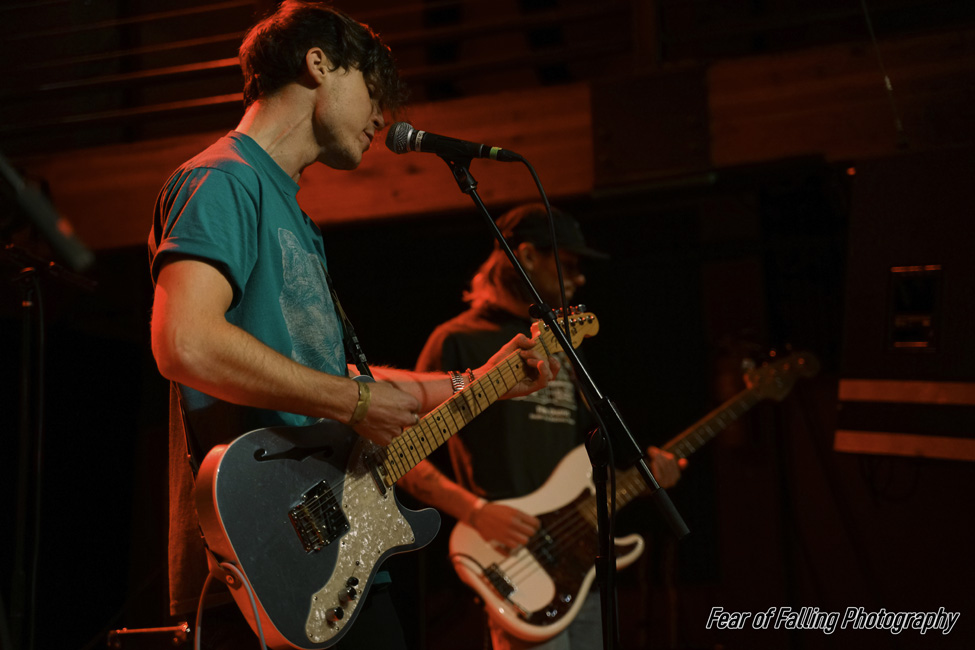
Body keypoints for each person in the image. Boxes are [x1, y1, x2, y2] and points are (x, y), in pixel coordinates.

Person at [147, 4, 558, 649]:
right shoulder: (222, 181)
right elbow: (185, 341)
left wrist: (480, 380)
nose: (381, 117)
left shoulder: (295, 215)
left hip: (334, 549)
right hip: (264, 556)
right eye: (373, 89)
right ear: (318, 63)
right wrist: (356, 401)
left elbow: (315, 376)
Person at [398, 203, 684, 650]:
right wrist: (475, 511)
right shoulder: (457, 339)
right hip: (512, 559)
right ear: (528, 256)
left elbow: (583, 461)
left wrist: (642, 478)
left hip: (581, 564)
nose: (580, 278)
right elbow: (400, 451)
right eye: (568, 264)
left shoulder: (562, 342)